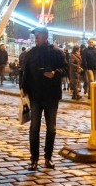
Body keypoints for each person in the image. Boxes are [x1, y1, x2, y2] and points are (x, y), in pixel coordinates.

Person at [19, 25, 67, 171]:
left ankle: (48, 157)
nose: (35, 38)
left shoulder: (57, 53)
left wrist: (55, 73)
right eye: (35, 35)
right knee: (34, 128)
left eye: (38, 35)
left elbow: (65, 70)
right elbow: (25, 73)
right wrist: (22, 90)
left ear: (45, 36)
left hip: (51, 96)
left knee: (51, 129)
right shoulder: (30, 54)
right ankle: (34, 159)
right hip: (35, 96)